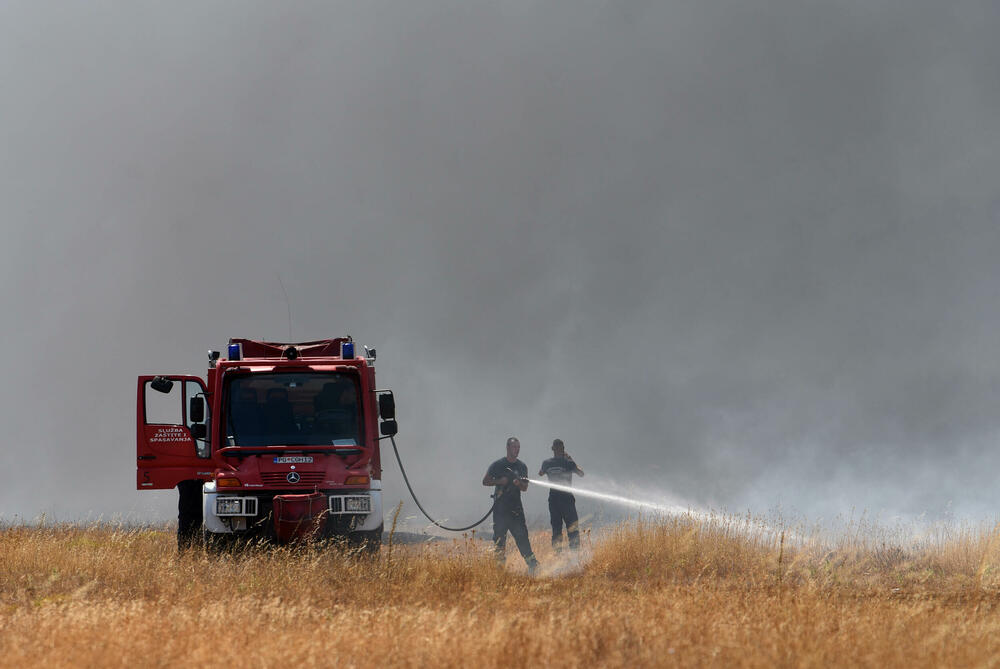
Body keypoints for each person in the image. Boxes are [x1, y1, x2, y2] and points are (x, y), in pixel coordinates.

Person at [482, 437, 539, 573]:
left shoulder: (522, 466)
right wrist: (500, 481)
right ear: (508, 447)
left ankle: (533, 566)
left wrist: (519, 484)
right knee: (499, 541)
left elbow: (525, 488)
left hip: (516, 510)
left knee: (522, 538)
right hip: (500, 509)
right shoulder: (497, 465)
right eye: (514, 447)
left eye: (518, 447)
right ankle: (499, 571)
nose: (517, 450)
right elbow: (485, 481)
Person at [538, 438, 584, 551]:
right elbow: (581, 473)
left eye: (560, 448)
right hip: (558, 500)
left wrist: (571, 461)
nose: (559, 450)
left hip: (563, 500)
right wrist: (571, 460)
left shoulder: (559, 463)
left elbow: (540, 473)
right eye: (558, 448)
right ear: (554, 449)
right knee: (562, 529)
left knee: (565, 529)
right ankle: (563, 556)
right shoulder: (557, 463)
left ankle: (570, 555)